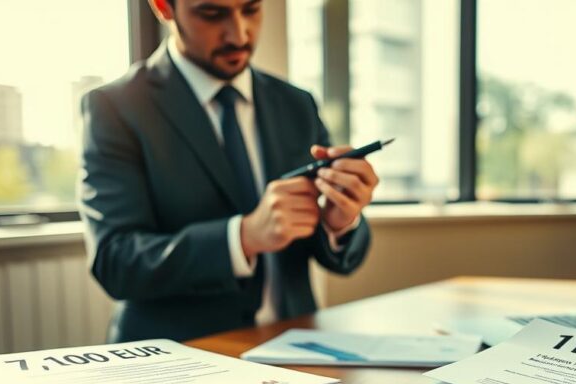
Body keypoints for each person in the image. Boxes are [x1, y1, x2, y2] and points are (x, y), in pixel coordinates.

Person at [79, 0, 378, 342]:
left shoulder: (297, 104)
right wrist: (243, 237)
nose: (239, 34)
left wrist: (339, 222)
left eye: (251, 9)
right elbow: (115, 261)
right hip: (183, 355)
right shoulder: (115, 108)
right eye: (212, 14)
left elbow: (342, 258)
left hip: (295, 348)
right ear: (163, 7)